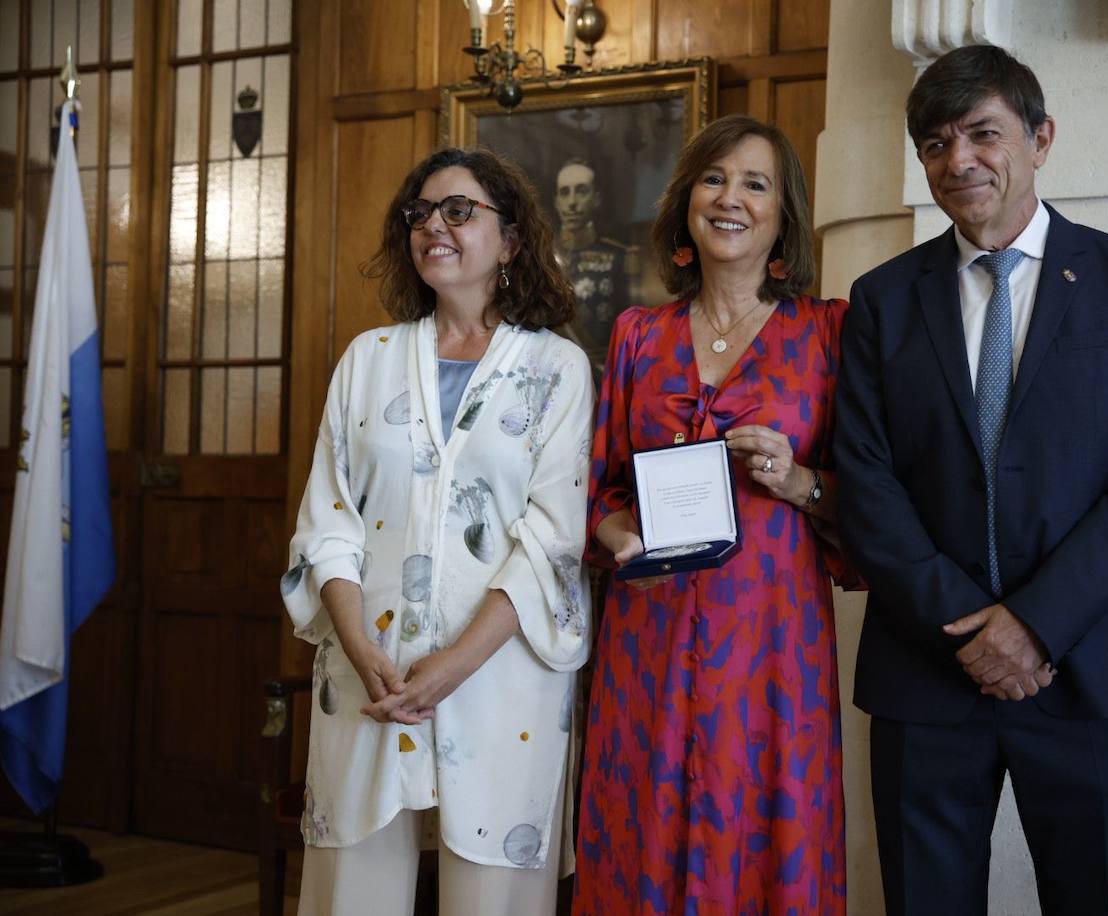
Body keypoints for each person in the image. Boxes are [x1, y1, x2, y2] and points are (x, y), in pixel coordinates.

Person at [835, 44, 1108, 916]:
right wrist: (970, 630)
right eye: (935, 143)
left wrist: (1033, 626)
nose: (957, 161)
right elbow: (867, 482)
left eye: (982, 134)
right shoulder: (880, 299)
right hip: (927, 670)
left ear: (1041, 138)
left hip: (1091, 667)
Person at [281, 147, 593, 916]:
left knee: (493, 892)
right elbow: (327, 525)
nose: (433, 226)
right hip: (369, 672)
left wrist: (451, 666)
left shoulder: (558, 369)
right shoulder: (367, 360)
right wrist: (362, 650)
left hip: (500, 674)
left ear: (511, 242)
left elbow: (552, 543)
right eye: (419, 213)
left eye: (459, 210)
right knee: (349, 891)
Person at [572, 115, 854, 914]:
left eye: (754, 183)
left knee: (769, 831)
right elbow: (593, 488)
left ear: (783, 213)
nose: (730, 198)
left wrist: (800, 479)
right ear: (687, 201)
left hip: (773, 646)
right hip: (650, 640)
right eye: (713, 178)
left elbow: (870, 496)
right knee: (643, 832)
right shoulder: (637, 335)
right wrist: (613, 529)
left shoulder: (827, 333)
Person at [552, 157, 636, 377]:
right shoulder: (540, 257)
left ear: (596, 199)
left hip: (602, 375)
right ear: (556, 202)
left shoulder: (619, 257)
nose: (572, 202)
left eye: (581, 191)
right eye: (564, 192)